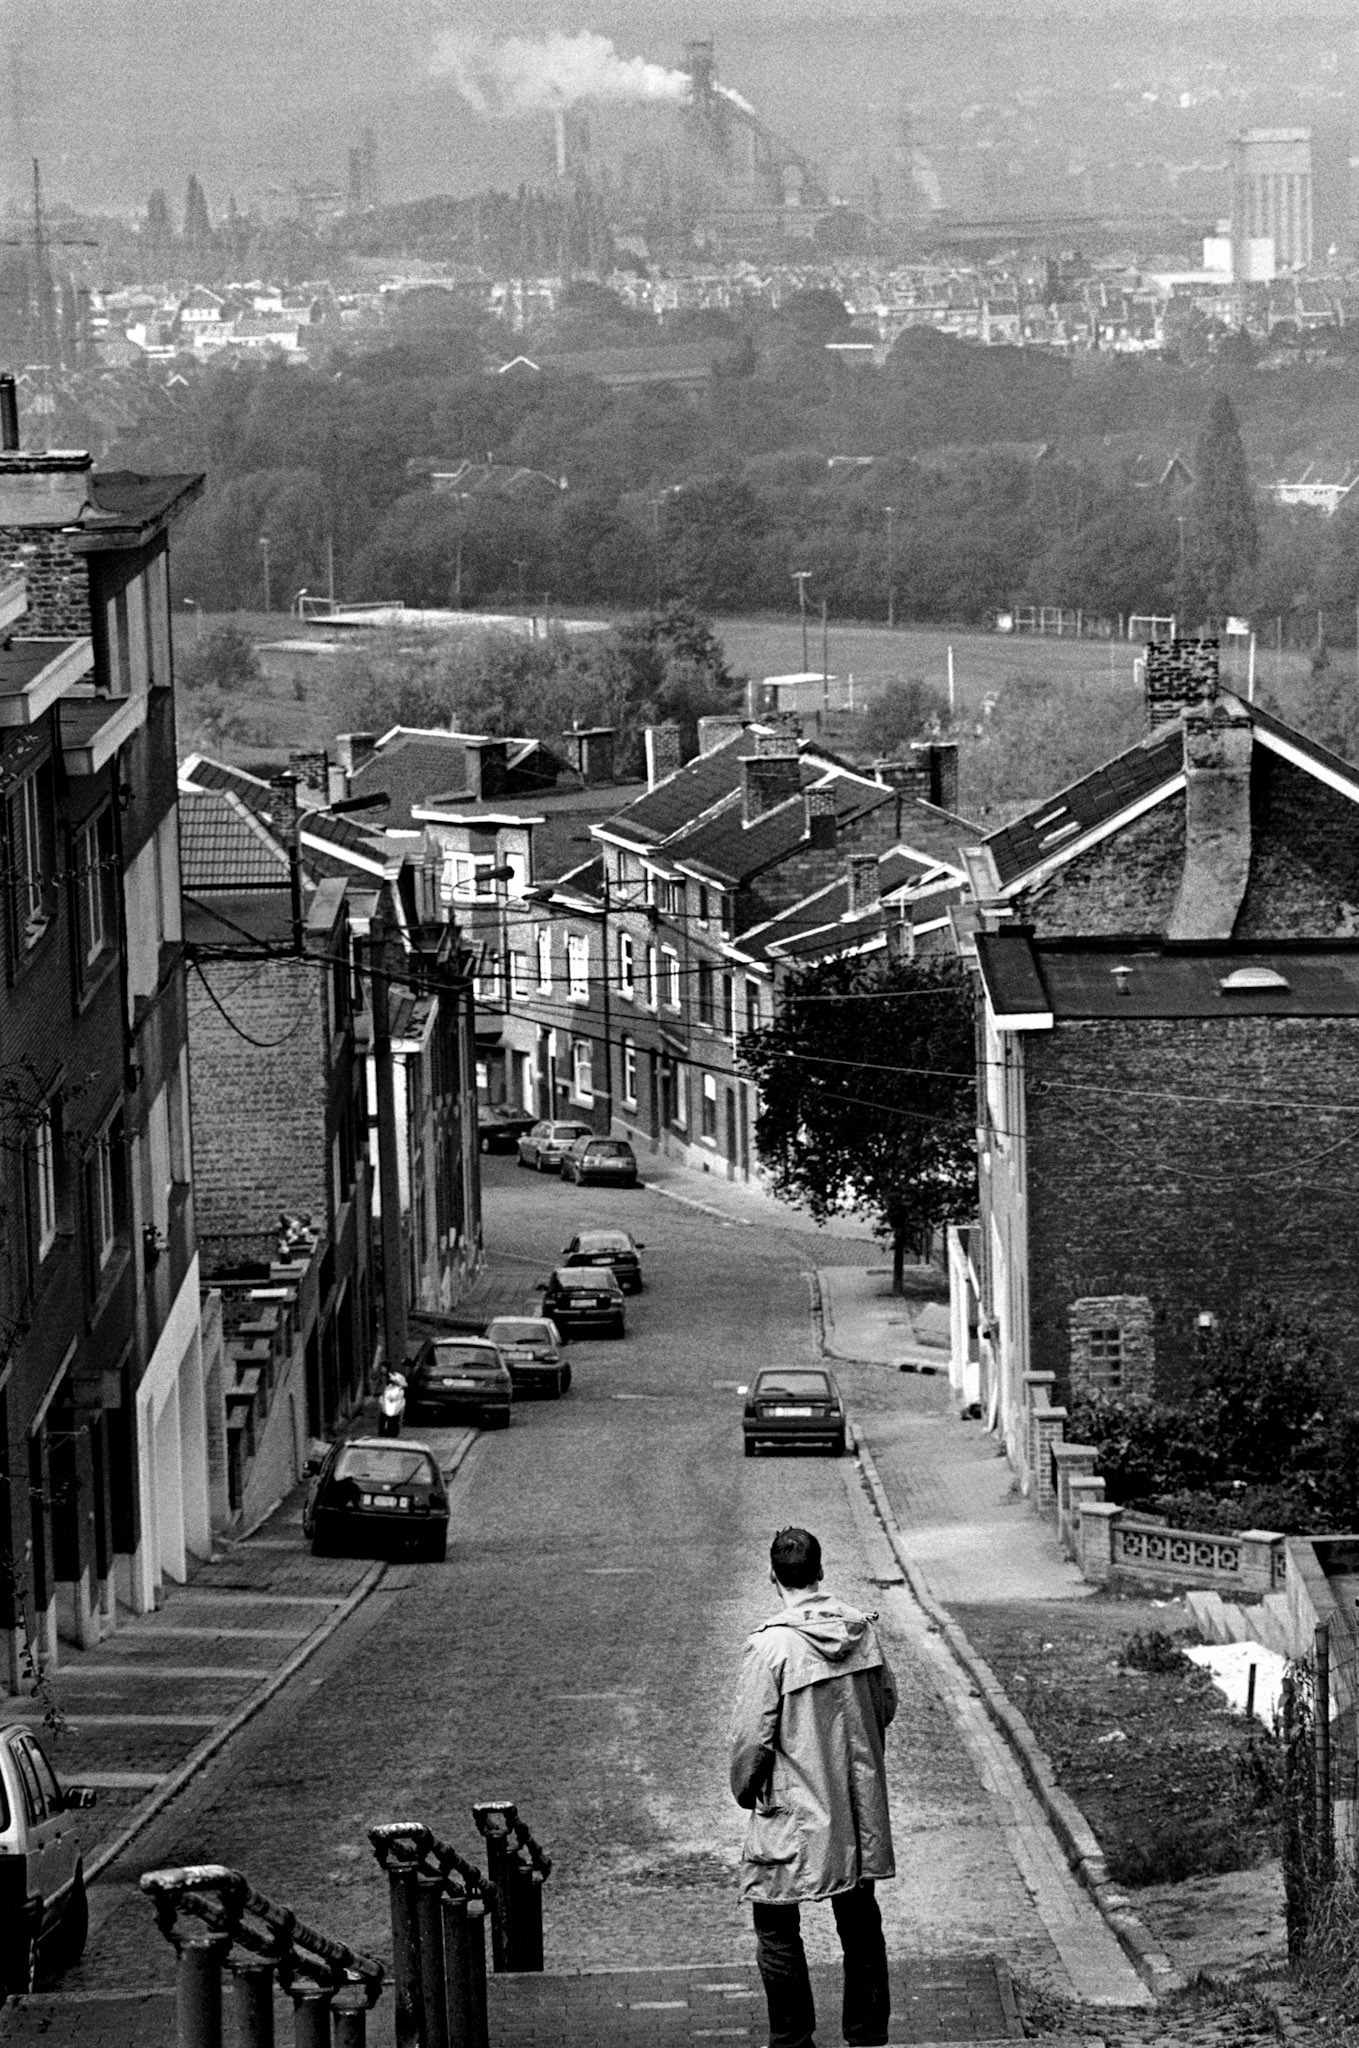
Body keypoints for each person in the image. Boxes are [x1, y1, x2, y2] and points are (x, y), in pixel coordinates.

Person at [729, 1526, 897, 2048]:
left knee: (776, 1925)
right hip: (854, 1803)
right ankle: (867, 2035)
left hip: (794, 1806)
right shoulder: (860, 1632)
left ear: (773, 1577)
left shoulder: (770, 1646)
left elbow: (750, 1740)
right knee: (859, 1918)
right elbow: (885, 1706)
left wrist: (746, 1790)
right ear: (820, 1571)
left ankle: (792, 2040)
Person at [378, 1369, 407, 1438]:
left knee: (396, 1417)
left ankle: (394, 1429)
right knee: (383, 1415)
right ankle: (383, 1430)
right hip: (387, 1404)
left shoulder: (400, 1390)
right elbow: (384, 1395)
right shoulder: (388, 1387)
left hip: (396, 1406)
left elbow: (403, 1385)